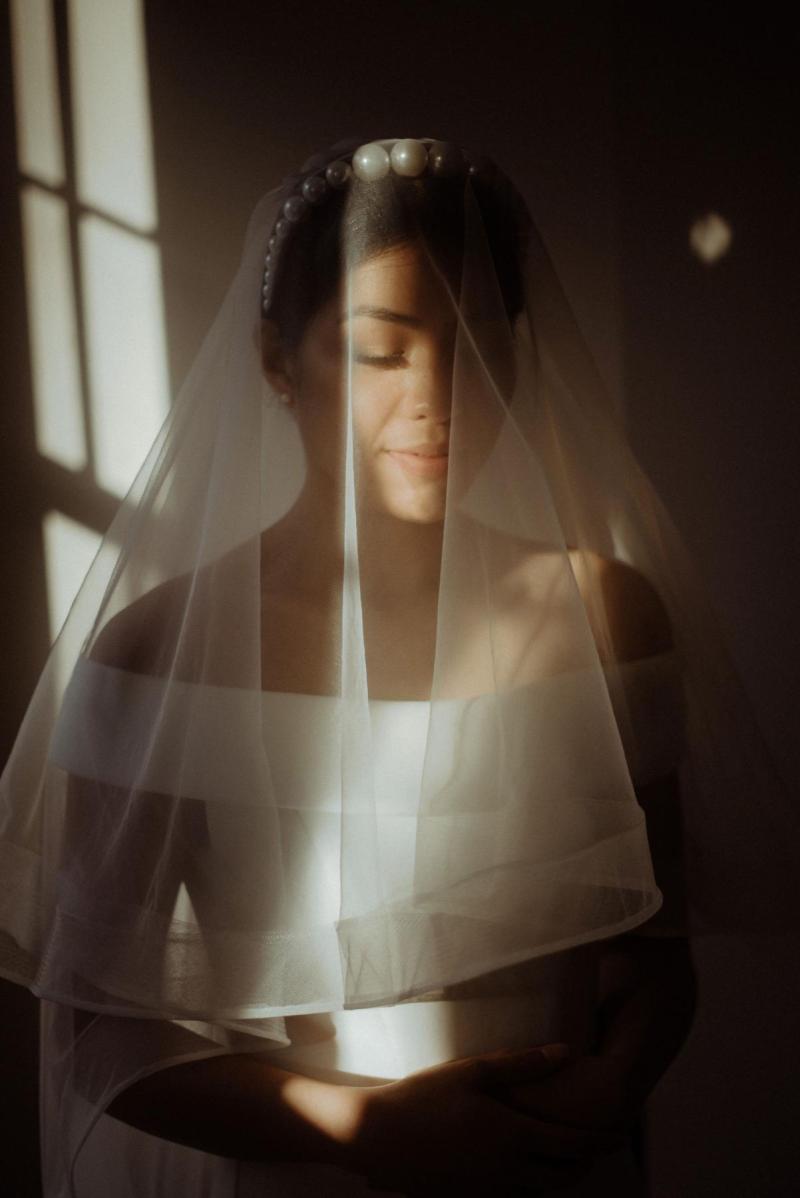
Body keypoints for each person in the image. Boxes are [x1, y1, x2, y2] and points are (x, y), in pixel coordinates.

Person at [2, 133, 790, 1197]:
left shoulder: (606, 615)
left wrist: (604, 1090)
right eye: (380, 349)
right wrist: (355, 1127)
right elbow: (96, 1036)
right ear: (277, 363)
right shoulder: (151, 653)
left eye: (476, 344)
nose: (438, 395)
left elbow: (654, 955)